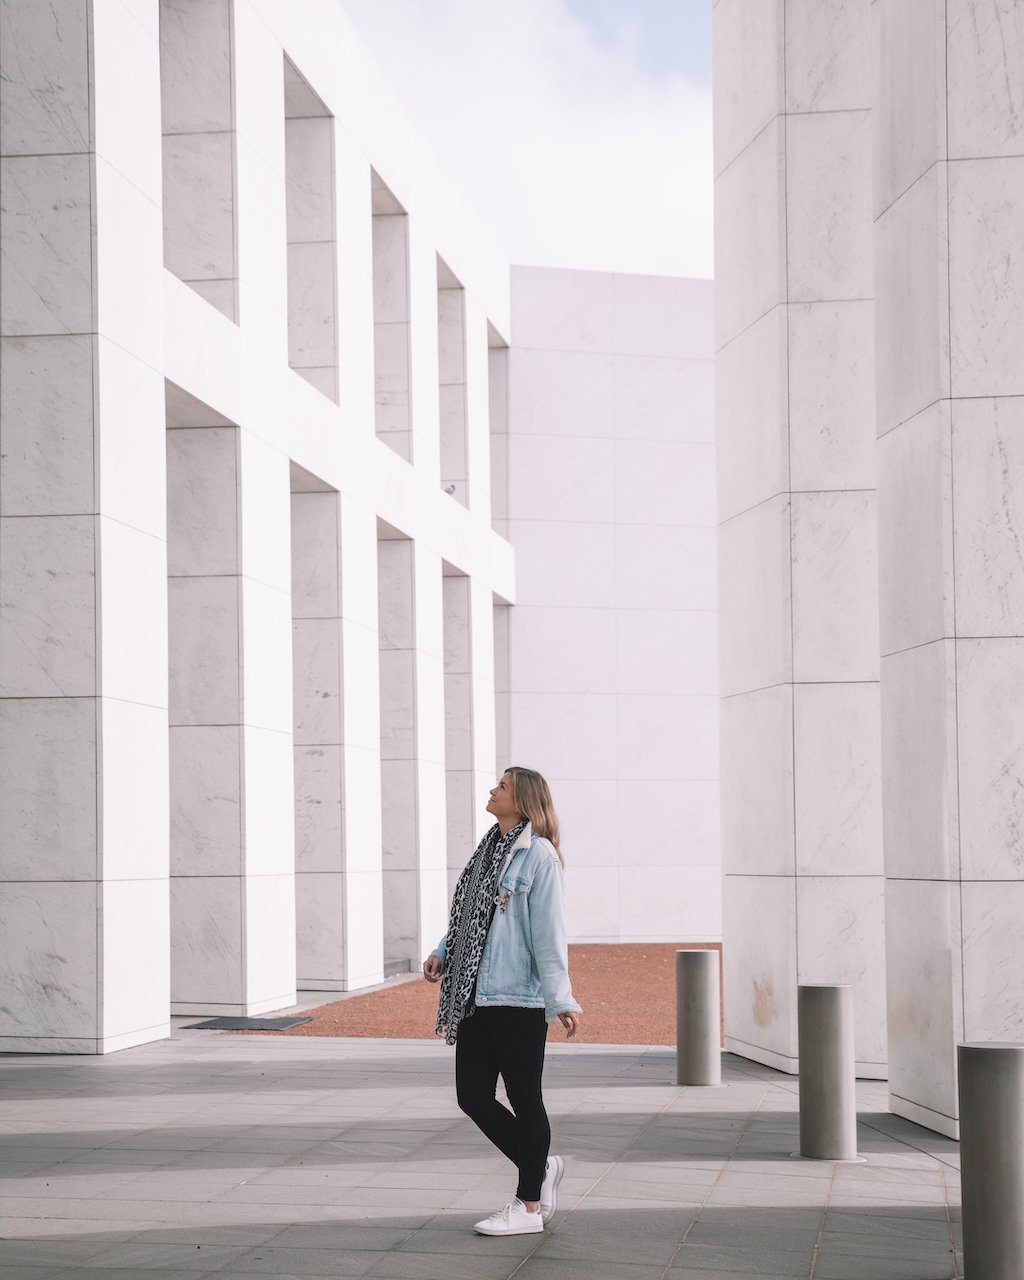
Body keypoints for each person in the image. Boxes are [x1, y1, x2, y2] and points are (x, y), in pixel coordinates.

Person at [423, 766, 582, 1236]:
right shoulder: (488, 849)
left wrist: (561, 1000)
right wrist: (442, 952)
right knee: (471, 1096)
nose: (493, 790)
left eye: (503, 786)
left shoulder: (539, 857)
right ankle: (542, 1166)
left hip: (518, 999)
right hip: (475, 995)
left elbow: (548, 937)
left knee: (524, 1099)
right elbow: (470, 917)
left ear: (524, 799)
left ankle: (528, 1207)